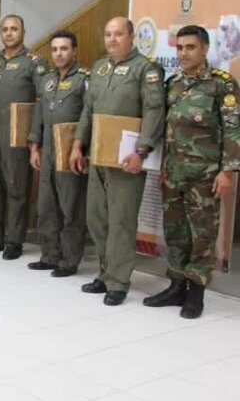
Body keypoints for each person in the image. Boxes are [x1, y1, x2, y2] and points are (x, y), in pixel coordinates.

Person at [144, 25, 239, 318]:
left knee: (202, 236)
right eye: (180, 48)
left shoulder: (221, 85)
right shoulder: (173, 84)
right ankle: (176, 287)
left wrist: (228, 172)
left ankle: (196, 294)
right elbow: (167, 131)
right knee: (175, 232)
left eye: (190, 47)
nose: (184, 53)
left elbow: (233, 130)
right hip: (174, 173)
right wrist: (163, 168)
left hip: (205, 176)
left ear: (205, 49)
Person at [71, 17, 165, 306]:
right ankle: (105, 272)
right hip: (98, 154)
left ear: (131, 37)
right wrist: (77, 144)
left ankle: (119, 281)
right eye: (108, 34)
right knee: (96, 217)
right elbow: (88, 110)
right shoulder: (100, 67)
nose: (112, 39)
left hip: (127, 158)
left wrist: (142, 151)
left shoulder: (145, 69)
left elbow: (154, 110)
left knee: (121, 221)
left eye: (118, 34)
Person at [0, 15, 46, 260]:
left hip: (18, 133)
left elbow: (43, 100)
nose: (9, 33)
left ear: (23, 32)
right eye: (5, 29)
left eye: (14, 29)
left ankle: (14, 241)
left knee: (16, 187)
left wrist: (35, 137)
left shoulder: (33, 62)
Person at [27, 30, 89, 277]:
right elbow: (39, 115)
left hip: (70, 152)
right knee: (46, 205)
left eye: (64, 49)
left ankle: (69, 260)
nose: (59, 54)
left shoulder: (84, 80)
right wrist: (34, 146)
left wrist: (82, 149)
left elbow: (88, 116)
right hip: (48, 151)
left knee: (70, 207)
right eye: (54, 49)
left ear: (74, 51)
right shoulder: (48, 80)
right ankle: (49, 255)